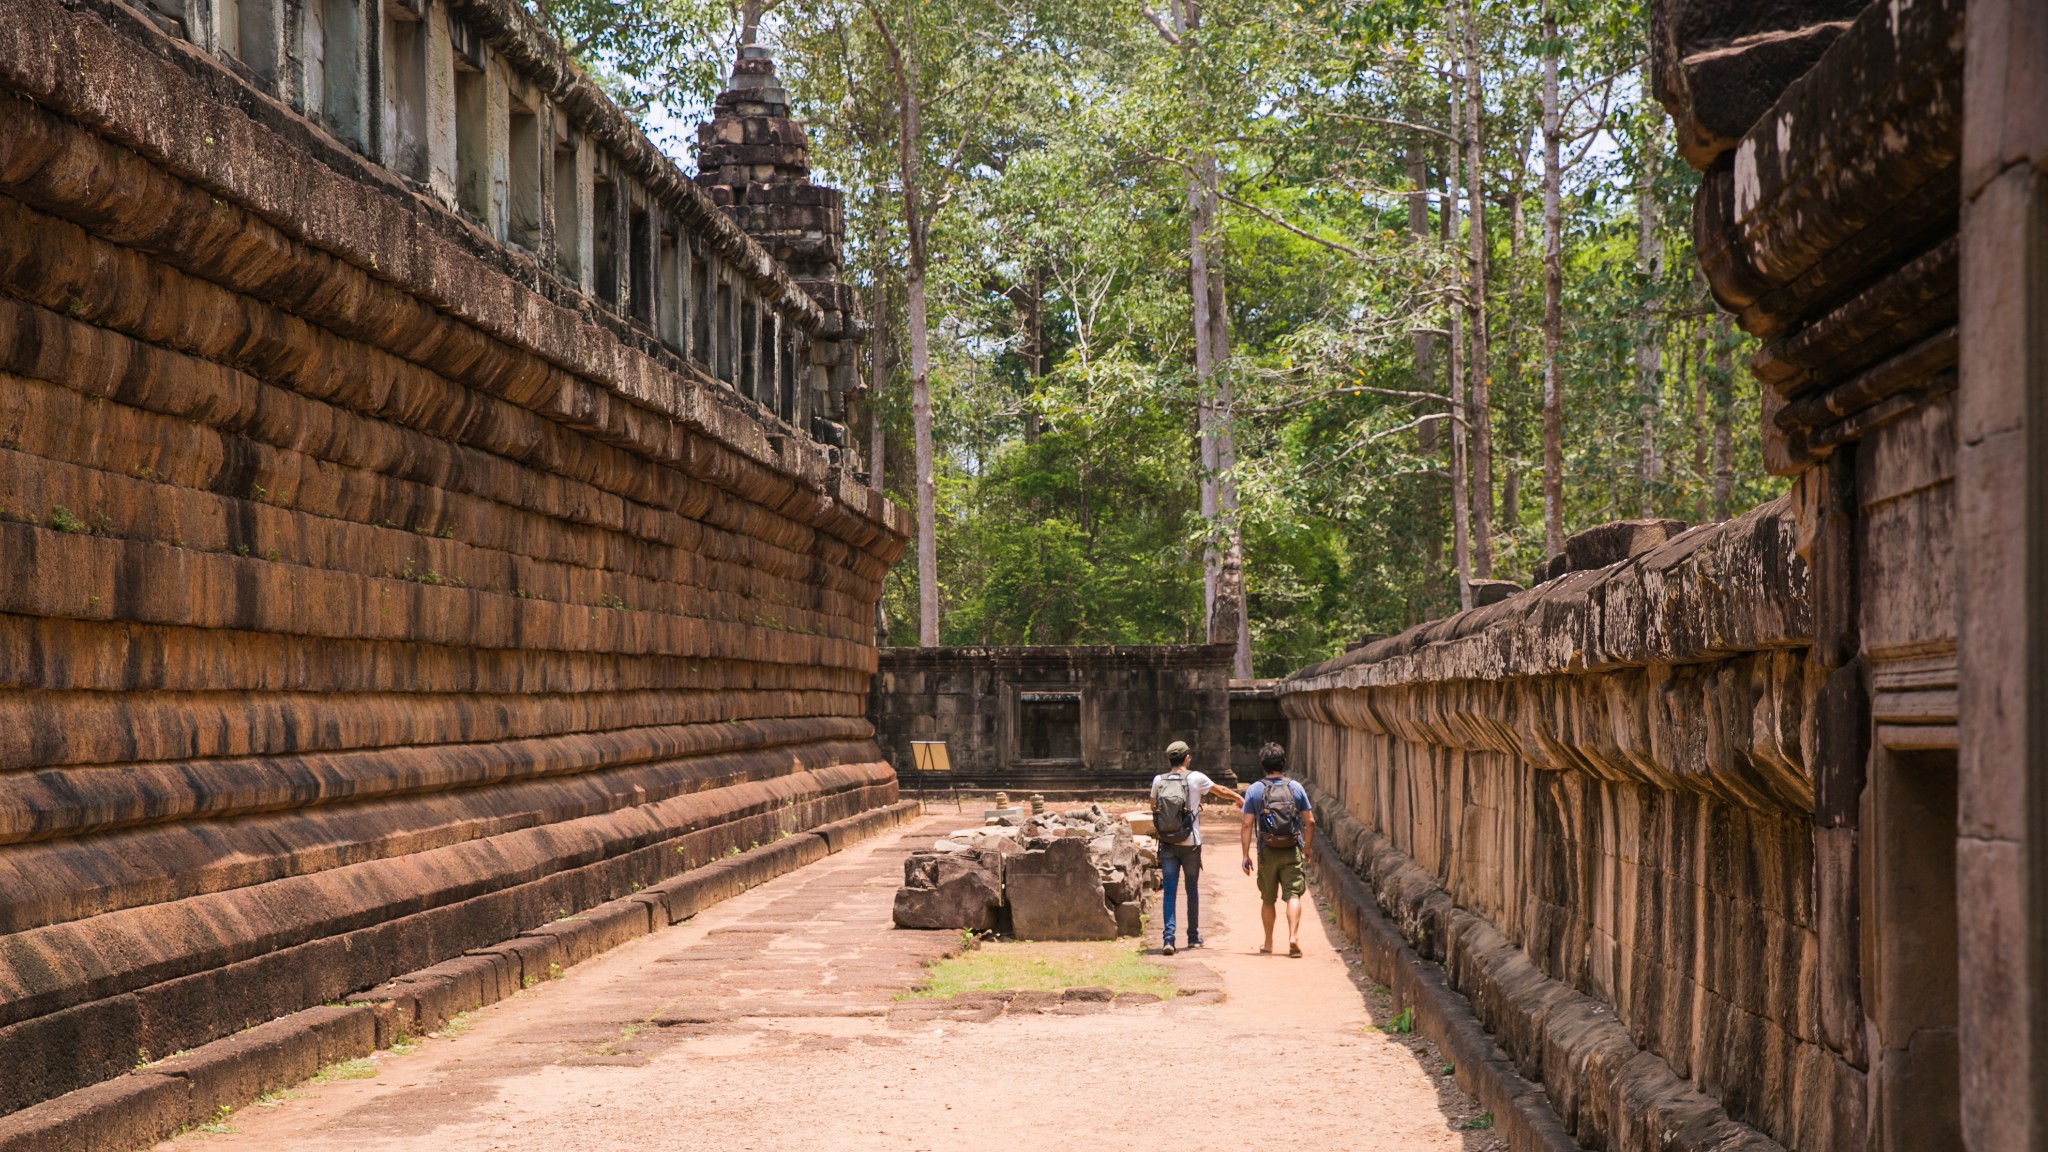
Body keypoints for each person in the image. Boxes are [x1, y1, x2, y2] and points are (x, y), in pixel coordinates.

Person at [1150, 739, 1243, 956]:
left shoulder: (1158, 780)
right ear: (1187, 758)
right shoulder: (1195, 778)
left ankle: (1168, 939)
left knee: (1170, 890)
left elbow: (1153, 807)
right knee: (1191, 889)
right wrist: (1237, 796)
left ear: (1170, 759)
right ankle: (1192, 937)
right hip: (1190, 842)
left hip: (1168, 842)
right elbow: (1219, 790)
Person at [1240, 742, 1314, 957]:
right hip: (1292, 849)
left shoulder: (1255, 789)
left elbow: (1246, 824)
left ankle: (1268, 942)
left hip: (1267, 851)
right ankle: (1293, 936)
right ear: (1284, 762)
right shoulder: (1295, 787)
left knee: (1268, 898)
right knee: (1293, 895)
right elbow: (1310, 822)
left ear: (1263, 764)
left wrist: (1245, 856)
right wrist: (1307, 847)